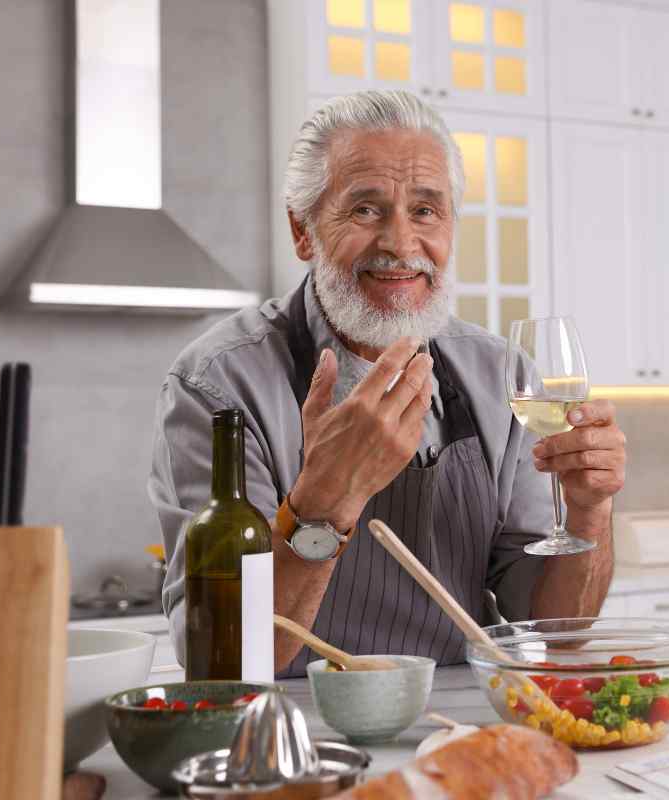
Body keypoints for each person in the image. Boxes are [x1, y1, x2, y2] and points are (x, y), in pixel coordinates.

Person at [149, 90, 627, 676]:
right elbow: (223, 660)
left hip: (457, 716)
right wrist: (323, 502)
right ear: (302, 230)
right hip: (290, 720)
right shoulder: (218, 386)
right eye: (365, 210)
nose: (401, 244)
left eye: (425, 211)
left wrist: (588, 512)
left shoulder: (503, 374)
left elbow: (555, 632)